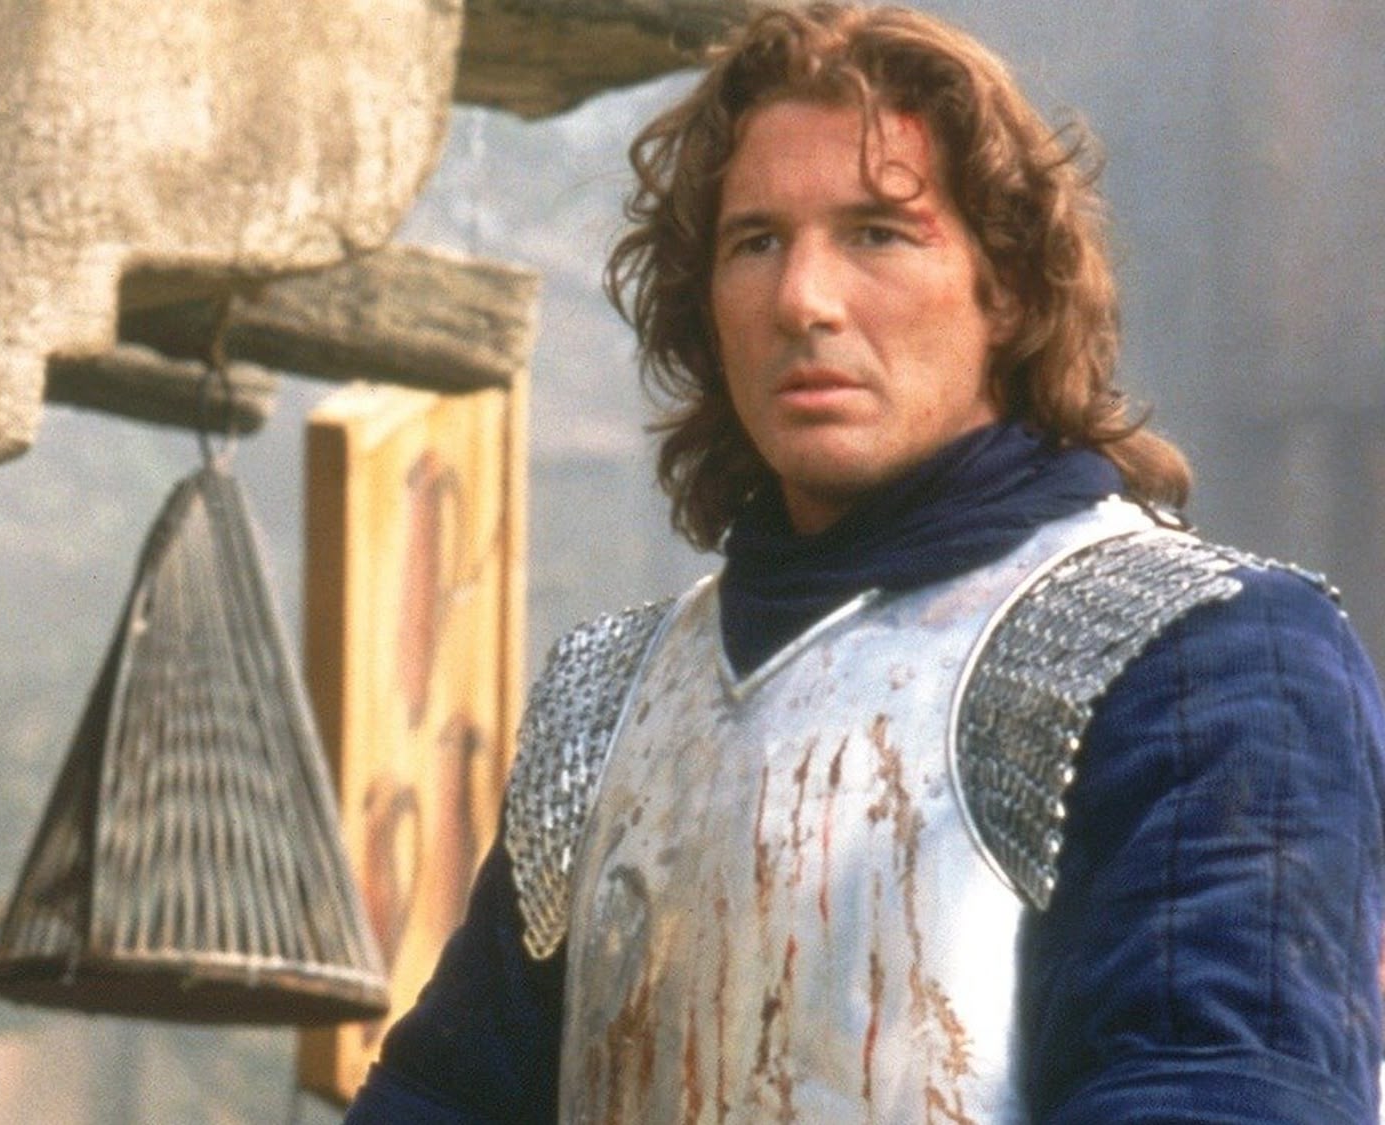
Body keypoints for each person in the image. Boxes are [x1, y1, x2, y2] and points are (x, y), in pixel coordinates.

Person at [344, 4, 1385, 1123]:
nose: (803, 300)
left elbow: (1220, 1091)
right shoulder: (609, 700)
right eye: (755, 243)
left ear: (1007, 288)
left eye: (878, 234)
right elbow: (437, 1104)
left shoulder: (1203, 655)